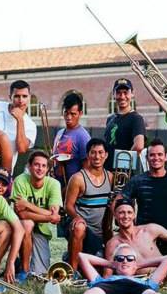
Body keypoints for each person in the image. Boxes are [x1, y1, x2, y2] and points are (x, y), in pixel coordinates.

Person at [11, 150, 62, 278]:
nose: (40, 169)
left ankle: (20, 264)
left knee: (41, 273)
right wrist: (49, 216)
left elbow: (54, 215)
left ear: (48, 169)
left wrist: (27, 205)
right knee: (27, 224)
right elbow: (22, 215)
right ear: (29, 166)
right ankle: (24, 270)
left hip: (41, 230)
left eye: (44, 166)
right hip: (21, 227)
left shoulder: (54, 184)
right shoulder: (20, 180)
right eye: (36, 165)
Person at [63, 138, 112, 270]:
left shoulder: (111, 177)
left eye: (101, 152)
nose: (97, 156)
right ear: (88, 155)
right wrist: (77, 217)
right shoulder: (78, 178)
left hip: (99, 231)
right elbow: (68, 206)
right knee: (79, 227)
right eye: (93, 152)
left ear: (106, 155)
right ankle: (72, 271)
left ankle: (70, 256)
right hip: (79, 227)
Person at [0, 167, 24, 287]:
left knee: (7, 227)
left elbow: (20, 229)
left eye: (4, 184)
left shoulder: (0, 200)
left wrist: (10, 262)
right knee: (3, 226)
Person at [0, 79, 37, 172]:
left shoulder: (30, 125)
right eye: (17, 96)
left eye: (24, 96)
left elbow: (22, 149)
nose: (21, 100)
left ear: (29, 97)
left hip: (3, 171)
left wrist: (20, 120)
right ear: (10, 97)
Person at [104, 78, 146, 172]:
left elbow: (139, 146)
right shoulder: (110, 119)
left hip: (125, 174)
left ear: (132, 94)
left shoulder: (136, 118)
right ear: (114, 95)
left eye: (125, 92)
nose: (122, 96)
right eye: (119, 92)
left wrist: (121, 165)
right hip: (107, 172)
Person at [51, 91, 91, 187]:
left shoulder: (83, 136)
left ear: (80, 113)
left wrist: (72, 189)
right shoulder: (60, 133)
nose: (68, 117)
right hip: (57, 187)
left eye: (73, 114)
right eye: (66, 113)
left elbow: (87, 169)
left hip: (73, 189)